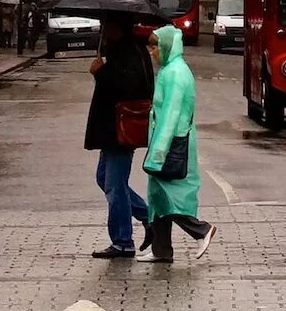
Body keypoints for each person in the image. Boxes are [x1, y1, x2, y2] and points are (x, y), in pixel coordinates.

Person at [141, 23, 214, 262]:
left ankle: (201, 230)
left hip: (172, 144)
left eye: (154, 48)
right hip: (168, 142)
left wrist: (158, 151)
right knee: (158, 196)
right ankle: (161, 250)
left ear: (165, 46)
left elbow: (171, 115)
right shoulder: (170, 69)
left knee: (172, 195)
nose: (151, 53)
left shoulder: (174, 73)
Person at [84, 18, 153, 258]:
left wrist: (100, 72)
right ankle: (147, 216)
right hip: (111, 130)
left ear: (118, 27)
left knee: (114, 185)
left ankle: (123, 241)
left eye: (108, 25)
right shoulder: (120, 50)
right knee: (105, 179)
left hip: (120, 130)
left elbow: (128, 87)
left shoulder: (130, 52)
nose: (104, 29)